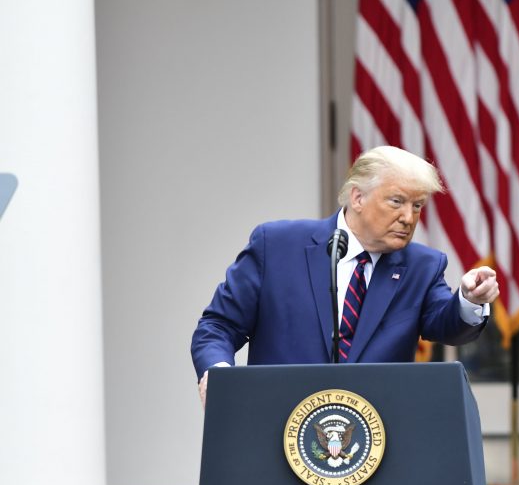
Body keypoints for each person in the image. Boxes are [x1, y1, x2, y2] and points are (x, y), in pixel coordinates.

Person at [191, 145, 499, 406]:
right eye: (396, 201)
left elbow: (446, 325)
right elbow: (219, 326)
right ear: (357, 198)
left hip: (375, 434)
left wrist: (469, 299)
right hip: (278, 419)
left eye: (417, 205)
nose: (408, 217)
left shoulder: (422, 266)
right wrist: (219, 374)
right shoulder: (276, 246)